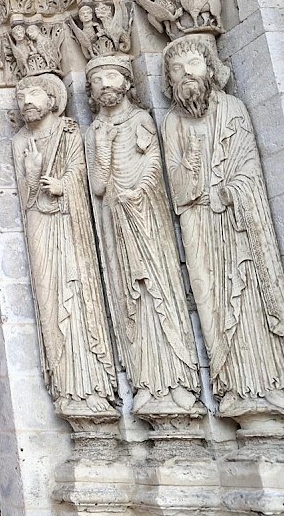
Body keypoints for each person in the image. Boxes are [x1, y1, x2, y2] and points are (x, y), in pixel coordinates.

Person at [161, 35, 284, 420]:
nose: (185, 75)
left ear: (211, 69)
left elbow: (248, 171)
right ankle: (233, 385)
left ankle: (272, 384)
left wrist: (228, 193)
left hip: (237, 224)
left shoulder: (233, 110)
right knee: (212, 301)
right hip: (199, 224)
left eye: (192, 66)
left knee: (249, 300)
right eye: (176, 71)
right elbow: (173, 182)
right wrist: (190, 172)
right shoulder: (172, 123)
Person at [85, 56, 201, 416]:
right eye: (96, 79)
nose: (104, 84)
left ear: (126, 82)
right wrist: (103, 152)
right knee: (128, 300)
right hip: (116, 227)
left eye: (111, 76)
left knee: (159, 289)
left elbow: (153, 165)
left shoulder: (141, 120)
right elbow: (98, 186)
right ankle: (147, 384)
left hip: (149, 222)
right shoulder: (93, 133)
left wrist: (141, 190)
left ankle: (178, 381)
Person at [11, 74, 119, 420]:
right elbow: (27, 197)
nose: (26, 99)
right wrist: (32, 173)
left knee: (76, 291)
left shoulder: (71, 131)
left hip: (70, 224)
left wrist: (62, 184)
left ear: (52, 98)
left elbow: (86, 175)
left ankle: (92, 390)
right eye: (21, 94)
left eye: (34, 93)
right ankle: (68, 385)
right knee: (49, 295)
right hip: (40, 224)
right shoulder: (20, 142)